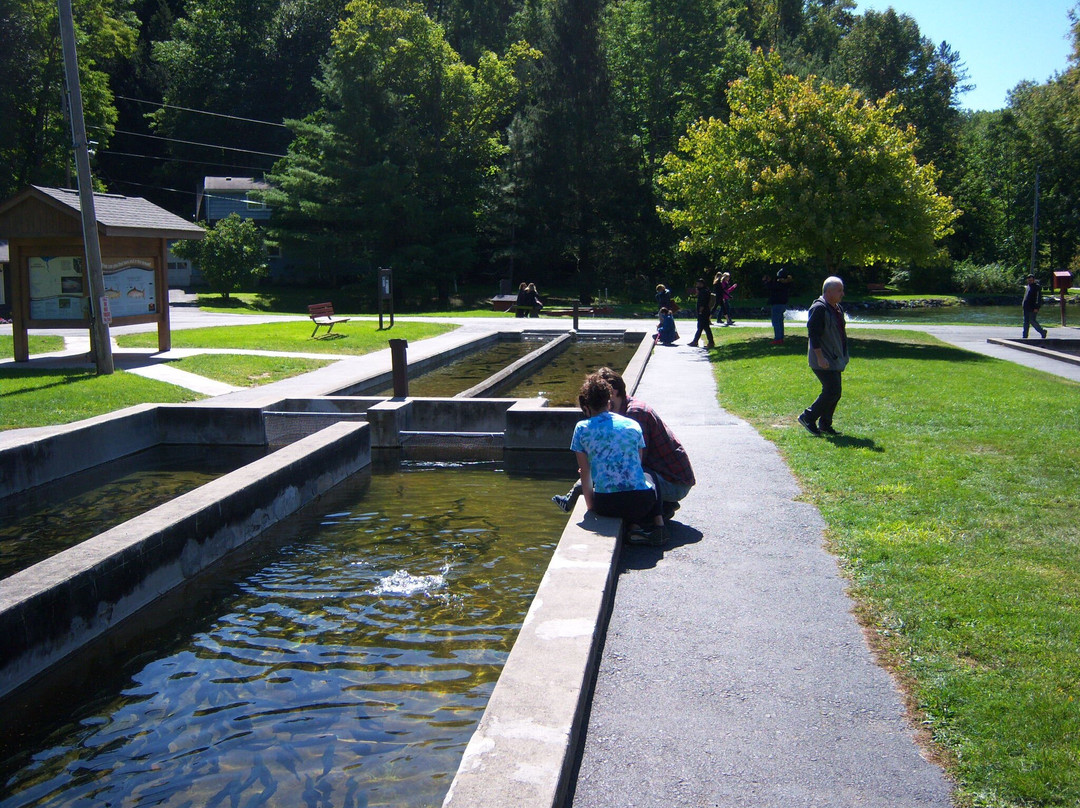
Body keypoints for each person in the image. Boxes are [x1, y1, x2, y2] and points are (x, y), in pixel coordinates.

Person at [554, 367, 695, 522]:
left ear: (612, 393)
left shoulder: (635, 414)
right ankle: (659, 509)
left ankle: (658, 515)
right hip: (663, 477)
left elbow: (634, 462)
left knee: (621, 473)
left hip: (674, 483)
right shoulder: (623, 415)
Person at [568, 373, 666, 545]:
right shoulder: (632, 424)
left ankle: (635, 528)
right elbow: (638, 464)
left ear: (587, 405)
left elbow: (585, 471)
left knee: (614, 492)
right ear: (608, 402)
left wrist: (592, 507)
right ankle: (658, 527)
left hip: (607, 504)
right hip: (642, 503)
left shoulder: (582, 428)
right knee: (649, 474)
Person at [798, 276, 849, 437]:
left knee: (835, 392)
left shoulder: (836, 308)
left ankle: (825, 425)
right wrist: (820, 357)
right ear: (828, 291)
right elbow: (813, 334)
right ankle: (808, 417)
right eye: (839, 290)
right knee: (832, 390)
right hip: (822, 358)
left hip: (834, 357)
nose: (842, 294)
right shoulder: (819, 308)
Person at [762, 268, 794, 344]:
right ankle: (780, 338)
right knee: (780, 321)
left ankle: (778, 338)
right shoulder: (786, 284)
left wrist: (767, 281)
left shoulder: (780, 284)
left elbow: (771, 287)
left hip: (777, 304)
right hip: (783, 304)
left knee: (776, 322)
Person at [688, 278, 715, 348]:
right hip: (705, 311)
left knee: (702, 327)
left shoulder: (704, 292)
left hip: (703, 311)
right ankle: (697, 341)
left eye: (698, 284)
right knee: (703, 327)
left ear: (702, 284)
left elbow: (703, 302)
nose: (697, 285)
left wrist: (700, 310)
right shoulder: (704, 291)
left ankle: (697, 341)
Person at [1022, 273, 1048, 339]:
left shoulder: (1036, 287)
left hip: (1033, 308)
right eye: (1029, 280)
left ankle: (1042, 332)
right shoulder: (1028, 286)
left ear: (1034, 280)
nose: (1030, 281)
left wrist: (1037, 307)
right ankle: (1025, 336)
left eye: (1031, 280)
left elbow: (1038, 298)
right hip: (1026, 307)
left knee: (1032, 321)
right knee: (1026, 322)